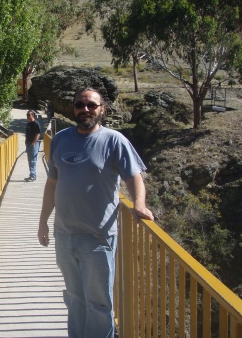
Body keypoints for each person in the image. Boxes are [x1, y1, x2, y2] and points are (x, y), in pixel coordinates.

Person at [37, 88, 154, 338]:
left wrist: (139, 204)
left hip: (98, 238)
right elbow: (52, 184)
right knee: (74, 299)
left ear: (103, 109)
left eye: (91, 105)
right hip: (64, 235)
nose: (85, 109)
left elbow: (134, 176)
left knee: (99, 305)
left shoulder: (114, 140)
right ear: (74, 108)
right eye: (80, 104)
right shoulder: (59, 139)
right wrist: (43, 222)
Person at [25, 110, 41, 182]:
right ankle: (31, 175)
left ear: (33, 115)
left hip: (33, 144)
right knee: (30, 160)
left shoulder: (36, 123)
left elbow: (37, 134)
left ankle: (33, 176)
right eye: (27, 115)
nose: (27, 116)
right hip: (28, 144)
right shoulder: (28, 124)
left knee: (32, 161)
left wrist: (34, 142)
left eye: (29, 115)